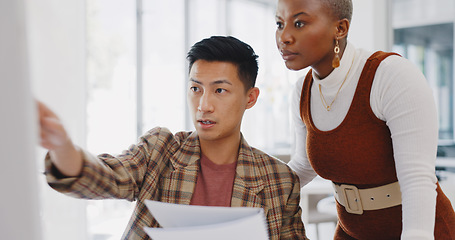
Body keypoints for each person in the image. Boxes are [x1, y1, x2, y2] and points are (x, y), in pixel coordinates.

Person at [38, 36, 307, 240]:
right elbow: (104, 177)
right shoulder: (161, 150)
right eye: (195, 88)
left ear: (250, 98)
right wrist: (62, 145)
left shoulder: (279, 181)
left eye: (220, 91)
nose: (204, 105)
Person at [275, 0, 455, 239]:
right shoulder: (302, 90)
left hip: (419, 230)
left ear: (340, 28)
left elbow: (417, 179)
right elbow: (304, 164)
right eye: (279, 23)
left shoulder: (391, 75)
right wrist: (259, 189)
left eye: (299, 23)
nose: (284, 36)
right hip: (352, 232)